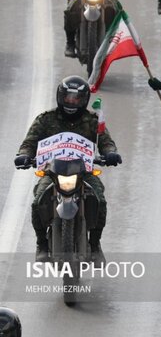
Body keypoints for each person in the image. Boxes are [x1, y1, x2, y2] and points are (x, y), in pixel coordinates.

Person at [14, 76, 122, 263]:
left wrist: (111, 153)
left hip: (84, 171)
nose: (71, 102)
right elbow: (29, 143)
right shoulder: (45, 119)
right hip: (53, 171)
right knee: (38, 200)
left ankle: (95, 245)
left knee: (100, 200)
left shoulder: (92, 120)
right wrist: (24, 155)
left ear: (84, 100)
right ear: (60, 97)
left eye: (76, 98)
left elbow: (106, 142)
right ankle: (42, 243)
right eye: (68, 97)